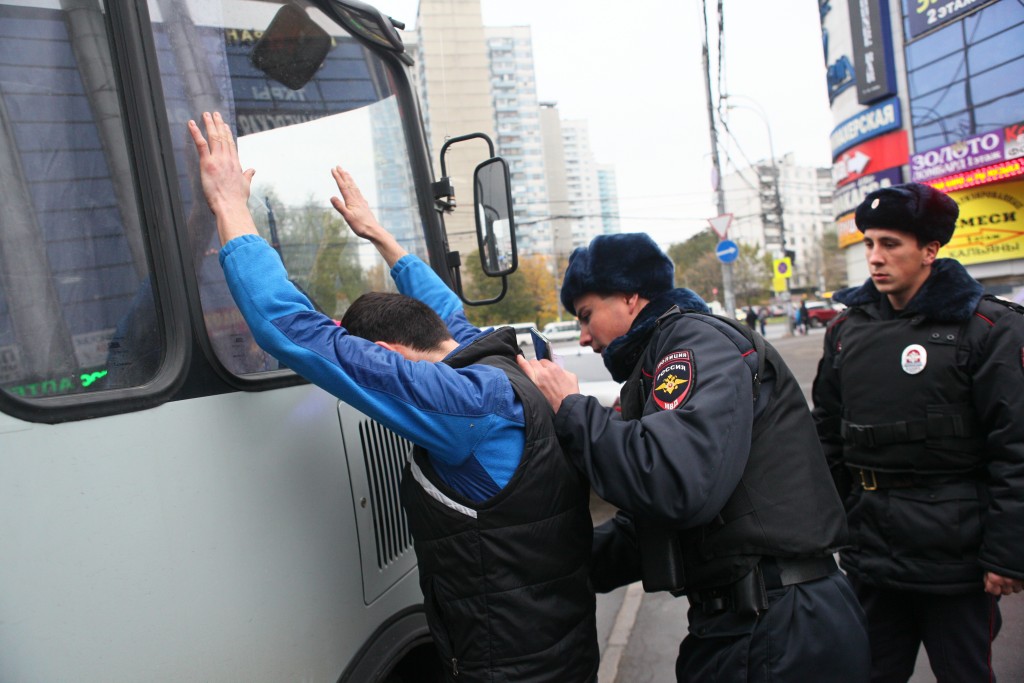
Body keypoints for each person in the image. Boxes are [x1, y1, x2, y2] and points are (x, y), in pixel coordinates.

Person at [187, 112, 598, 682]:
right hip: (560, 644)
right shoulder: (494, 357)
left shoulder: (460, 404)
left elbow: (291, 328)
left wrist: (230, 206)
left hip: (511, 668)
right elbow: (445, 306)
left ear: (383, 350)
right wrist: (378, 235)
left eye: (375, 360)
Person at [517, 232, 870, 682]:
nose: (585, 338)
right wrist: (544, 564)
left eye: (586, 316)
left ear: (629, 296)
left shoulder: (691, 344)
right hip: (749, 623)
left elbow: (677, 484)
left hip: (778, 627)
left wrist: (572, 408)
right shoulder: (659, 359)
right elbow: (649, 525)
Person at [811, 182, 1024, 682]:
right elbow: (826, 437)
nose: (875, 258)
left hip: (957, 563)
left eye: (890, 244)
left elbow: (1015, 449)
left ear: (930, 250)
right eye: (869, 244)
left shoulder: (988, 328)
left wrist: (1008, 555)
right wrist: (827, 528)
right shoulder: (846, 331)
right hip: (871, 556)